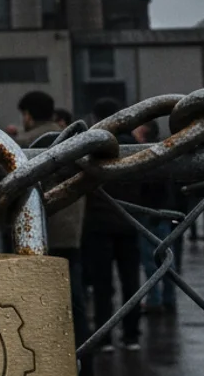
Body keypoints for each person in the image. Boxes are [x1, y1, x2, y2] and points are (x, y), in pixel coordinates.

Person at [13, 92, 90, 361]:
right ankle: (81, 358)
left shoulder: (22, 144)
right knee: (73, 302)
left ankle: (40, 358)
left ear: (28, 115)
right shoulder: (73, 141)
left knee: (31, 304)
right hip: (71, 233)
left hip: (33, 236)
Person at [81, 97, 142, 352]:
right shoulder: (138, 147)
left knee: (102, 284)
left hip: (98, 223)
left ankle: (104, 336)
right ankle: (131, 336)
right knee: (131, 282)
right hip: (130, 221)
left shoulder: (94, 147)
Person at [134, 120, 180, 315]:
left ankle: (155, 300)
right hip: (164, 211)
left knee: (151, 259)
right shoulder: (164, 151)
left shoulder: (145, 154)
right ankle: (168, 299)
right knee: (167, 258)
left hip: (149, 211)